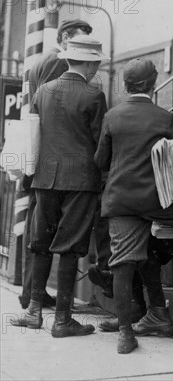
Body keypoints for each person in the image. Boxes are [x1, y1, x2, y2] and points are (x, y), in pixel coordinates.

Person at [94, 58, 173, 355]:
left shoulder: (112, 116)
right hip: (158, 201)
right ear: (152, 85)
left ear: (125, 85)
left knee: (123, 265)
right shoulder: (166, 118)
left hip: (121, 201)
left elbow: (100, 160)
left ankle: (126, 333)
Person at [11, 35, 108, 338]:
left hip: (45, 178)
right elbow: (101, 143)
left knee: (41, 242)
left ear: (68, 59)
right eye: (95, 64)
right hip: (81, 181)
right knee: (69, 246)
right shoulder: (94, 95)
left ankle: (33, 312)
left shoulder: (43, 91)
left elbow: (35, 134)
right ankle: (63, 319)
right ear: (91, 64)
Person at [19, 19, 93, 310]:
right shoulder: (57, 62)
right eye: (79, 41)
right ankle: (32, 295)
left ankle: (32, 295)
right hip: (56, 163)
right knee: (46, 232)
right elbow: (55, 111)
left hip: (45, 163)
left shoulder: (42, 60)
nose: (82, 49)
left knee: (40, 230)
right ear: (64, 38)